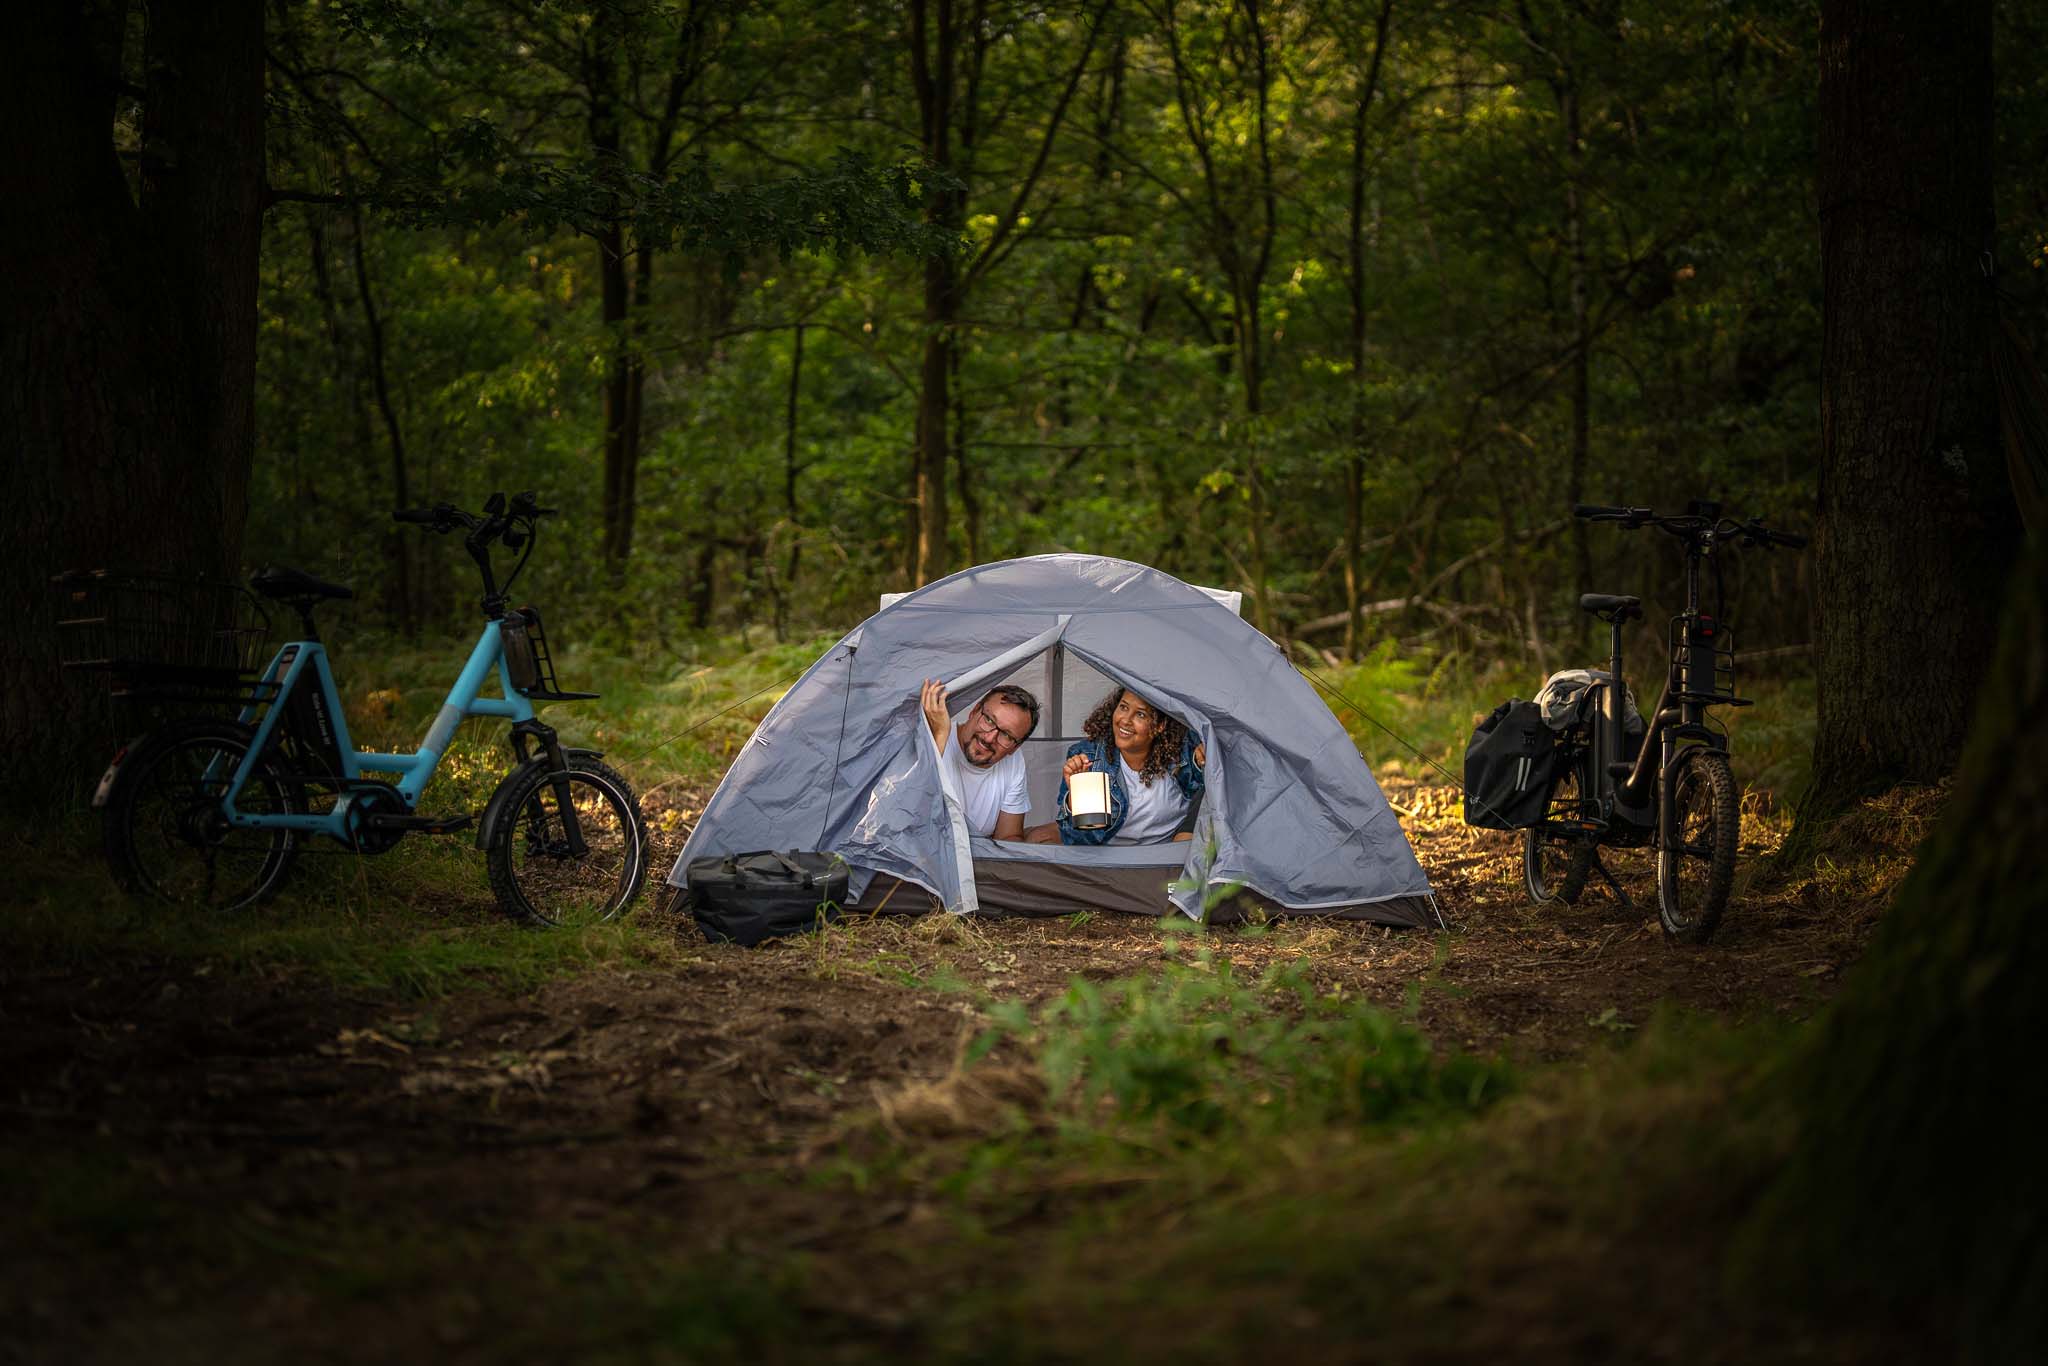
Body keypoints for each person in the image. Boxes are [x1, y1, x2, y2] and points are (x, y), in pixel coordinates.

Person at [1024, 688, 1206, 845]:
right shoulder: (1088, 755)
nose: (1125, 720)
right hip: (1110, 853)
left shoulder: (1183, 749)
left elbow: (1209, 798)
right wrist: (1076, 798)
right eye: (1123, 707)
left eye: (1140, 714)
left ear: (1160, 725)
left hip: (1167, 850)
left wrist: (1204, 761)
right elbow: (1083, 839)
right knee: (1037, 838)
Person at [919, 679, 1040, 841]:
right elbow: (909, 816)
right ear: (974, 711)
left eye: (1006, 735)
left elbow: (1008, 836)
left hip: (979, 860)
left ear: (1015, 747)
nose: (990, 738)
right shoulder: (936, 736)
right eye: (989, 720)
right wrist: (938, 738)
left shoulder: (1014, 761)